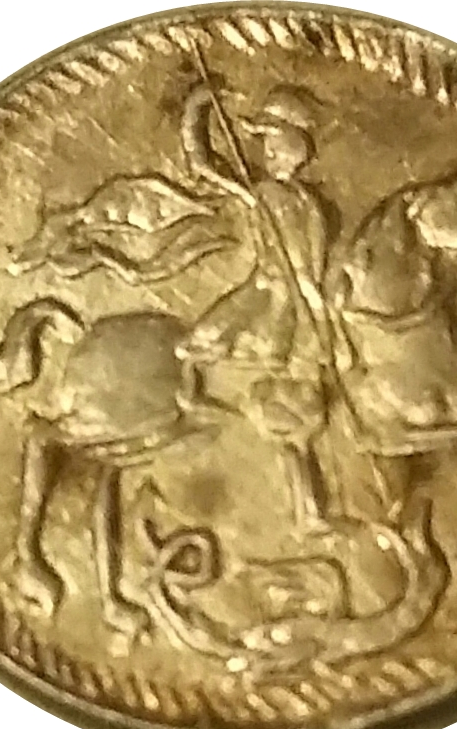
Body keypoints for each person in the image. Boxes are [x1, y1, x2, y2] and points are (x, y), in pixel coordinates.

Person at [176, 82, 338, 531]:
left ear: (291, 145)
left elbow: (308, 271)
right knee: (199, 346)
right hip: (283, 298)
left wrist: (318, 321)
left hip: (276, 300)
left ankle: (202, 403)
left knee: (197, 347)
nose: (264, 149)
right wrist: (196, 112)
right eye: (262, 140)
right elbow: (203, 164)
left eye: (269, 138)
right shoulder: (281, 197)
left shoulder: (289, 200)